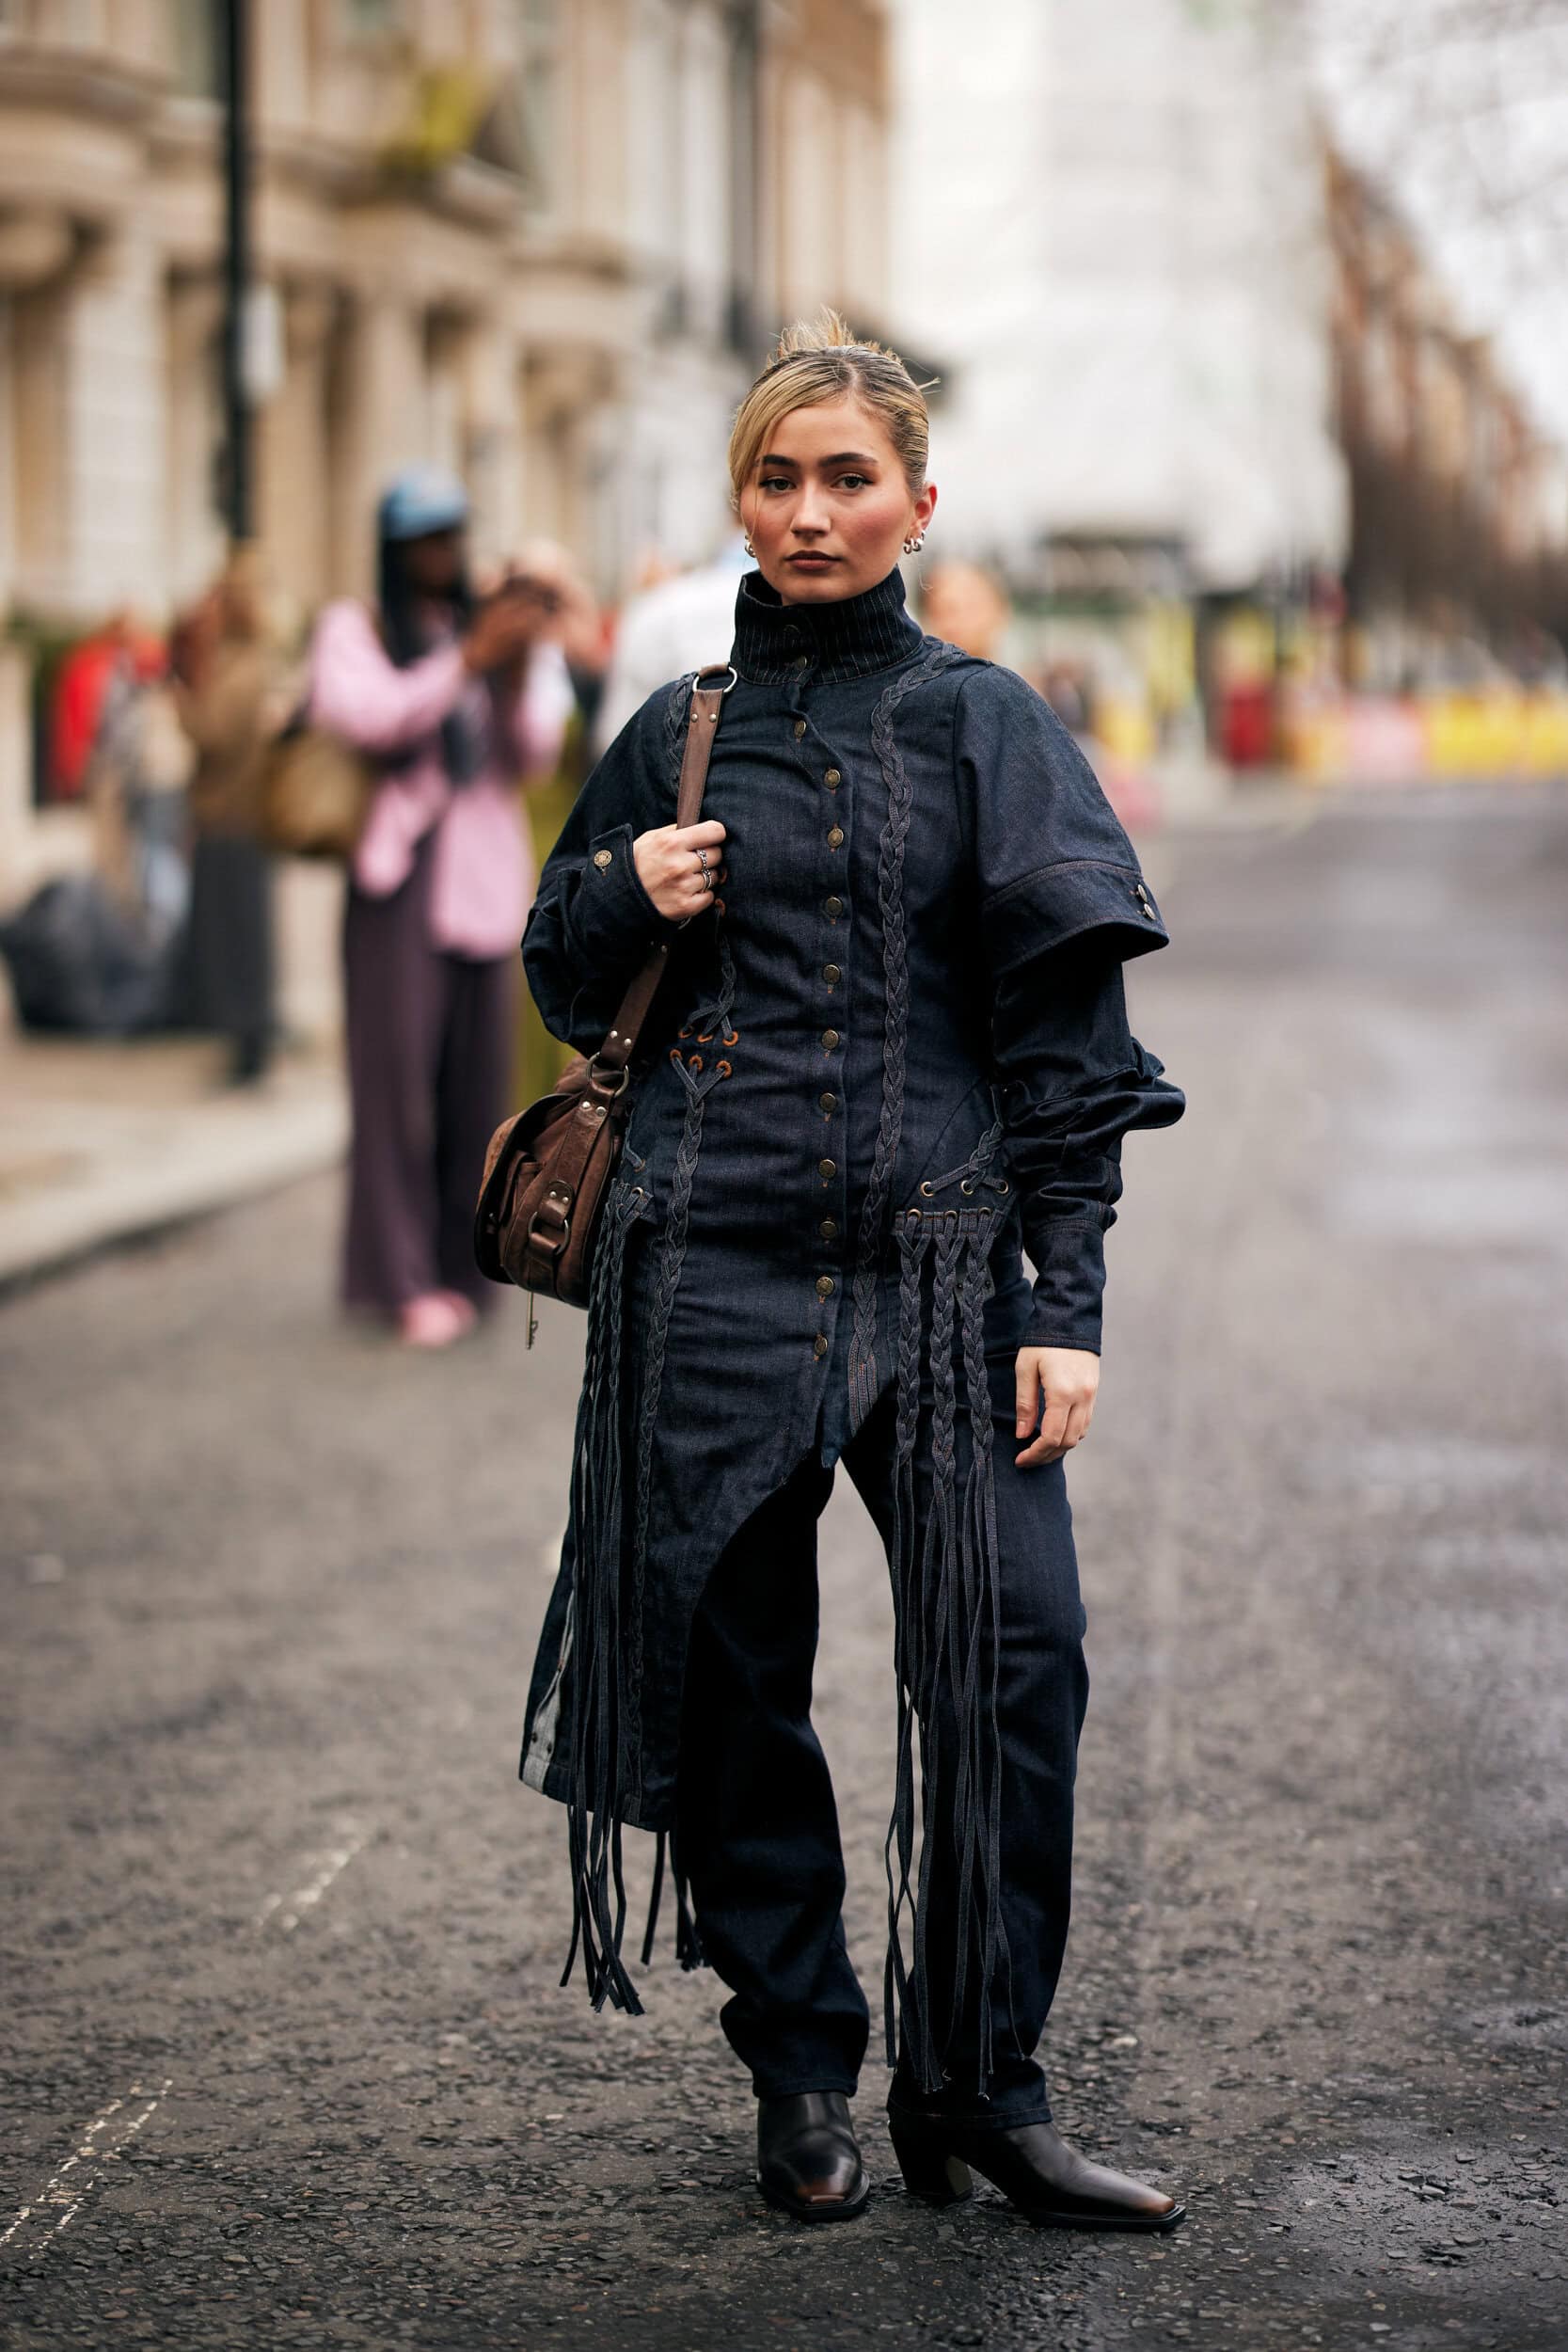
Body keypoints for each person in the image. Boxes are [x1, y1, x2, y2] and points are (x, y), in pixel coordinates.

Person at [517, 314, 1189, 2230]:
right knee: (735, 1680)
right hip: (704, 1263)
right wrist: (615, 887)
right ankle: (801, 2063)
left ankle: (978, 2080)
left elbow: (1066, 1043)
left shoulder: (987, 723)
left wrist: (1064, 1301)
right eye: (774, 478)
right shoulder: (677, 727)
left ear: (912, 498)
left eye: (844, 479)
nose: (807, 514)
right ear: (738, 496)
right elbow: (564, 976)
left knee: (1013, 1660)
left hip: (950, 1267)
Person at [309, 468, 567, 1349]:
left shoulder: (480, 632)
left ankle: (465, 1266)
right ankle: (394, 1276)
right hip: (397, 881)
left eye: (452, 535)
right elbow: (367, 717)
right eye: (425, 539)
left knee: (475, 1090)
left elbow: (529, 754)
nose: (442, 554)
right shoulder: (357, 627)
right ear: (393, 548)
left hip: (482, 887)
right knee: (393, 1092)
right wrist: (466, 662)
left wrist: (517, 665)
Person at [171, 551, 280, 1085]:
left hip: (233, 818)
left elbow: (211, 733)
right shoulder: (246, 663)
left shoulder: (241, 668)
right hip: (237, 817)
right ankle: (246, 1036)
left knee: (239, 939)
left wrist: (181, 701)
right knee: (240, 935)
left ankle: (249, 1040)